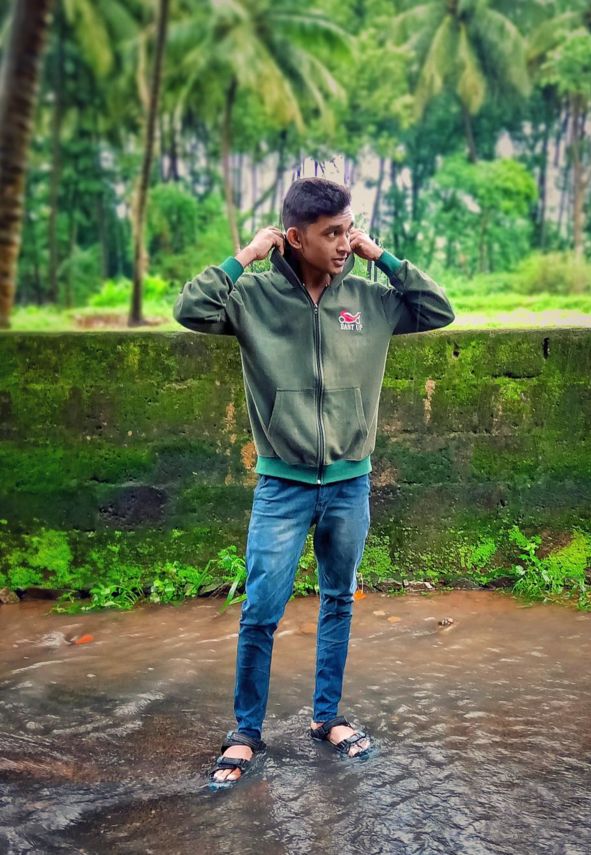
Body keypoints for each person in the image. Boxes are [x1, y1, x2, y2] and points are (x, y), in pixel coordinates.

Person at [172, 177, 455, 786]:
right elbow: (191, 308)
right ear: (296, 238)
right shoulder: (254, 299)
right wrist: (249, 254)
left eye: (349, 230)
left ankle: (327, 718)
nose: (345, 243)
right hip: (283, 486)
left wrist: (383, 256)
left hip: (350, 483)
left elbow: (438, 309)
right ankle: (245, 732)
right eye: (332, 234)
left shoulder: (371, 299)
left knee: (338, 599)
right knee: (261, 610)